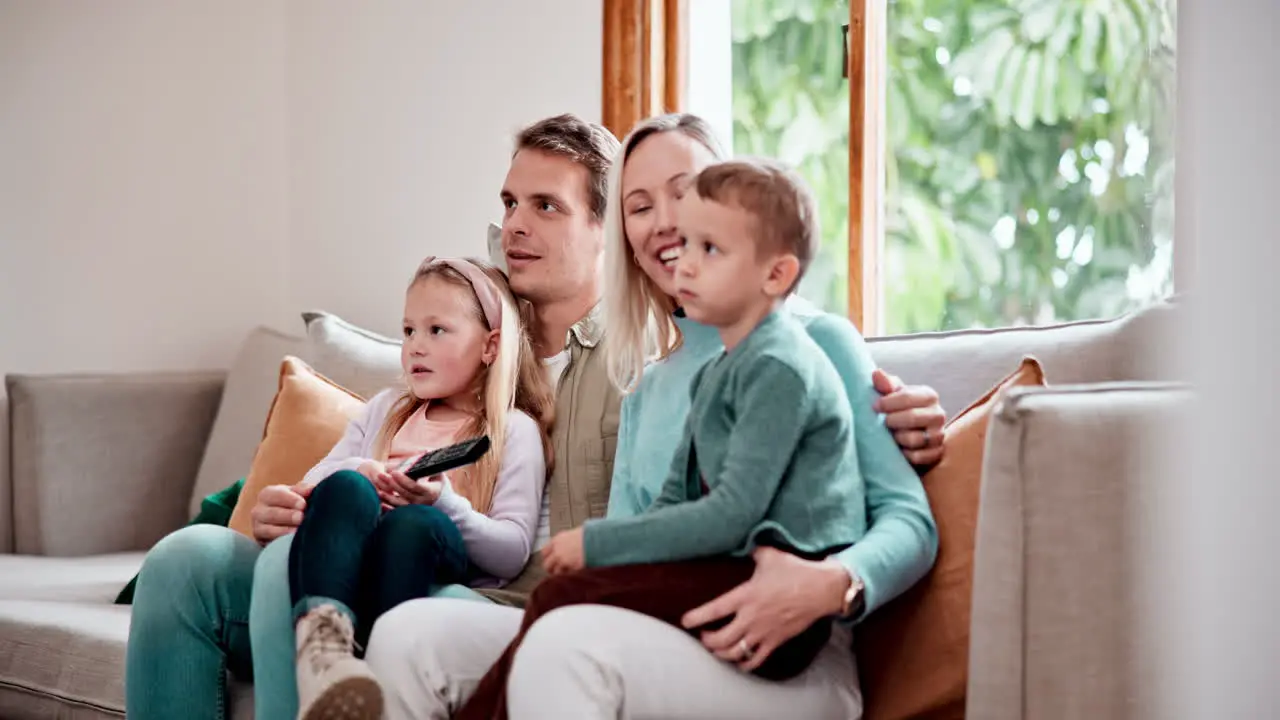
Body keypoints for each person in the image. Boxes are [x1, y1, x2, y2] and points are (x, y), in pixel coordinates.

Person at [124, 113, 944, 720]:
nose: (665, 225)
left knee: (494, 623)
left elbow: (869, 504)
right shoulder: (490, 336)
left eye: (546, 207)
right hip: (554, 601)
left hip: (732, 635)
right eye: (641, 205)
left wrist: (844, 562)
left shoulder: (753, 349)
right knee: (202, 559)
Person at [454, 156, 888, 719]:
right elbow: (673, 502)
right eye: (688, 245)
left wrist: (597, 545)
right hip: (720, 574)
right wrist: (609, 555)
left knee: (559, 596)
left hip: (773, 609)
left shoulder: (784, 365)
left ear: (775, 275)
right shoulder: (715, 372)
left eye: (710, 250)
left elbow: (734, 512)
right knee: (563, 594)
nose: (685, 262)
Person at [284, 257, 553, 719]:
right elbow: (311, 484)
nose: (415, 348)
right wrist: (363, 470)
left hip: (430, 552)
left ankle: (383, 672)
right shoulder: (386, 409)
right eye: (409, 331)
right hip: (355, 549)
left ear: (490, 346)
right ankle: (325, 654)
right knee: (346, 485)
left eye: (437, 330)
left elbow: (512, 551)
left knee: (413, 522)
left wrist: (448, 504)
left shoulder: (512, 429)